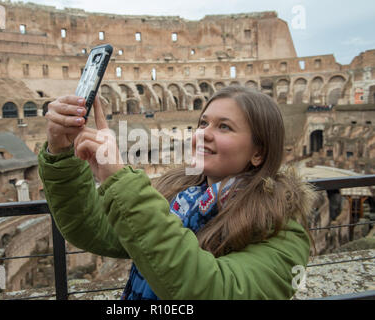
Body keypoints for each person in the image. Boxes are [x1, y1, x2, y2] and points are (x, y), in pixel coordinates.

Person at [38, 86, 316, 300]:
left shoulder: (281, 227)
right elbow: (93, 228)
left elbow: (212, 290)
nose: (204, 133)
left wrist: (120, 180)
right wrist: (61, 152)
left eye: (224, 126)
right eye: (203, 123)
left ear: (258, 152)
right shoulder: (179, 197)